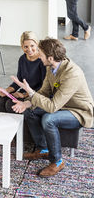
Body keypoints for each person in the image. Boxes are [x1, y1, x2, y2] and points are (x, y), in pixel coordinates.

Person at [11, 38, 94, 177]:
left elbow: (52, 107)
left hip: (79, 111)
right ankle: (43, 149)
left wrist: (31, 93)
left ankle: (57, 161)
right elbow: (44, 93)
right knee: (29, 111)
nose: (38, 54)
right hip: (61, 104)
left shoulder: (72, 74)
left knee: (49, 119)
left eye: (40, 53)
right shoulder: (51, 67)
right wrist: (26, 103)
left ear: (50, 57)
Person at [0, 31, 46, 113]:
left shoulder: (42, 61)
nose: (29, 49)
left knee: (10, 105)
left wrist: (24, 95)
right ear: (22, 47)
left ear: (37, 44)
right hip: (24, 92)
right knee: (0, 100)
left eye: (32, 46)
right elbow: (19, 80)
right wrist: (7, 90)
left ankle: (21, 125)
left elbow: (44, 87)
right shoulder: (22, 59)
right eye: (26, 47)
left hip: (36, 94)